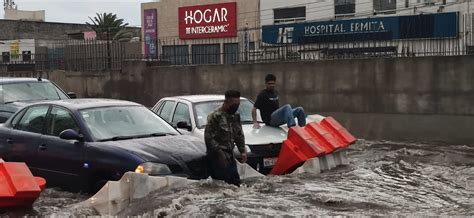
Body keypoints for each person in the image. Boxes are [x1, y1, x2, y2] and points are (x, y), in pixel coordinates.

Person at [205, 90, 247, 186]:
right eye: (234, 104)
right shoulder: (215, 116)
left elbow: (239, 134)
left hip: (230, 155)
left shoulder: (235, 116)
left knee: (235, 183)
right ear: (226, 102)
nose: (236, 107)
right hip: (217, 156)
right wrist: (219, 153)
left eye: (238, 104)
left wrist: (242, 151)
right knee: (221, 185)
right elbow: (208, 138)